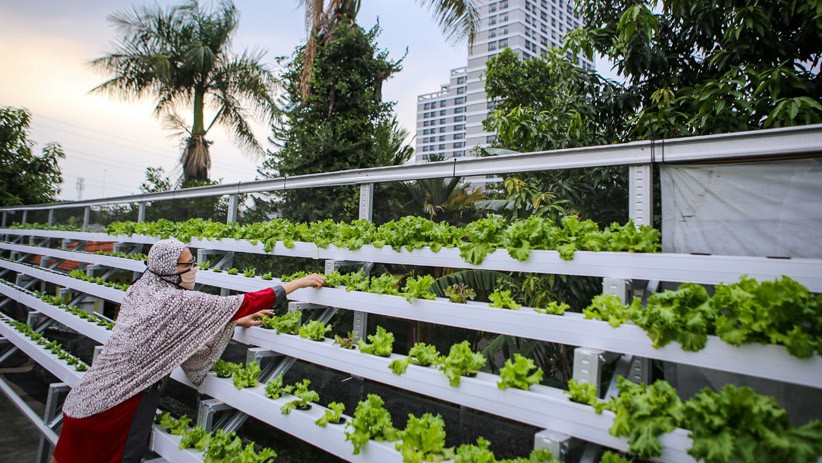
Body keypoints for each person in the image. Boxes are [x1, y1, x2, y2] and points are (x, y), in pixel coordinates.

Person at [50, 239, 324, 463]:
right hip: (117, 409)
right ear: (168, 268)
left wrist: (232, 321)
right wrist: (297, 284)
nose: (193, 269)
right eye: (188, 264)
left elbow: (174, 329)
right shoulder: (176, 300)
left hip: (85, 401)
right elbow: (245, 302)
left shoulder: (142, 290)